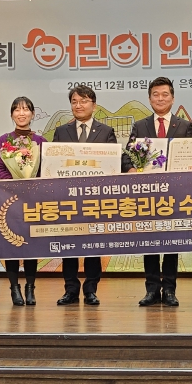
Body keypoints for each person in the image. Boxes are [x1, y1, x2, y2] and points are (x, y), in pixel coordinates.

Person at [122, 77, 192, 307]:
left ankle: (170, 289)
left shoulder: (184, 126)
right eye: (156, 94)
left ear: (172, 98)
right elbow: (127, 155)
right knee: (150, 241)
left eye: (165, 94)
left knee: (172, 241)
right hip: (148, 193)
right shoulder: (140, 125)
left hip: (175, 193)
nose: (160, 98)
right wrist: (131, 168)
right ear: (149, 98)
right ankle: (152, 289)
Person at [53, 85, 117, 306]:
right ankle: (70, 289)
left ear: (94, 105)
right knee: (69, 245)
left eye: (83, 101)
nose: (78, 105)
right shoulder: (61, 132)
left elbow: (113, 163)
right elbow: (54, 163)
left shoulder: (106, 131)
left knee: (93, 245)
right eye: (74, 102)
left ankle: (91, 289)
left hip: (95, 198)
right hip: (68, 198)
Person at [0, 97, 47, 306]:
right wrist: (15, 182)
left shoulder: (41, 141)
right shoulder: (3, 140)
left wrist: (31, 182)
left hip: (34, 200)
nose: (21, 113)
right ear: (12, 114)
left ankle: (30, 287)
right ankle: (14, 287)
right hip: (10, 199)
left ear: (32, 114)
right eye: (17, 110)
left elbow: (47, 167)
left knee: (32, 245)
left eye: (25, 109)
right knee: (11, 244)